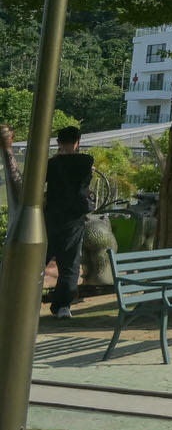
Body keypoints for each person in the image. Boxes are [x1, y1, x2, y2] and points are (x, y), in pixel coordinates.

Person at [44, 125, 94, 319]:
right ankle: (62, 306)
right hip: (74, 219)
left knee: (41, 260)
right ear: (78, 142)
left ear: (58, 143)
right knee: (70, 263)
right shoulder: (86, 161)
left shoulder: (51, 164)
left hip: (51, 217)